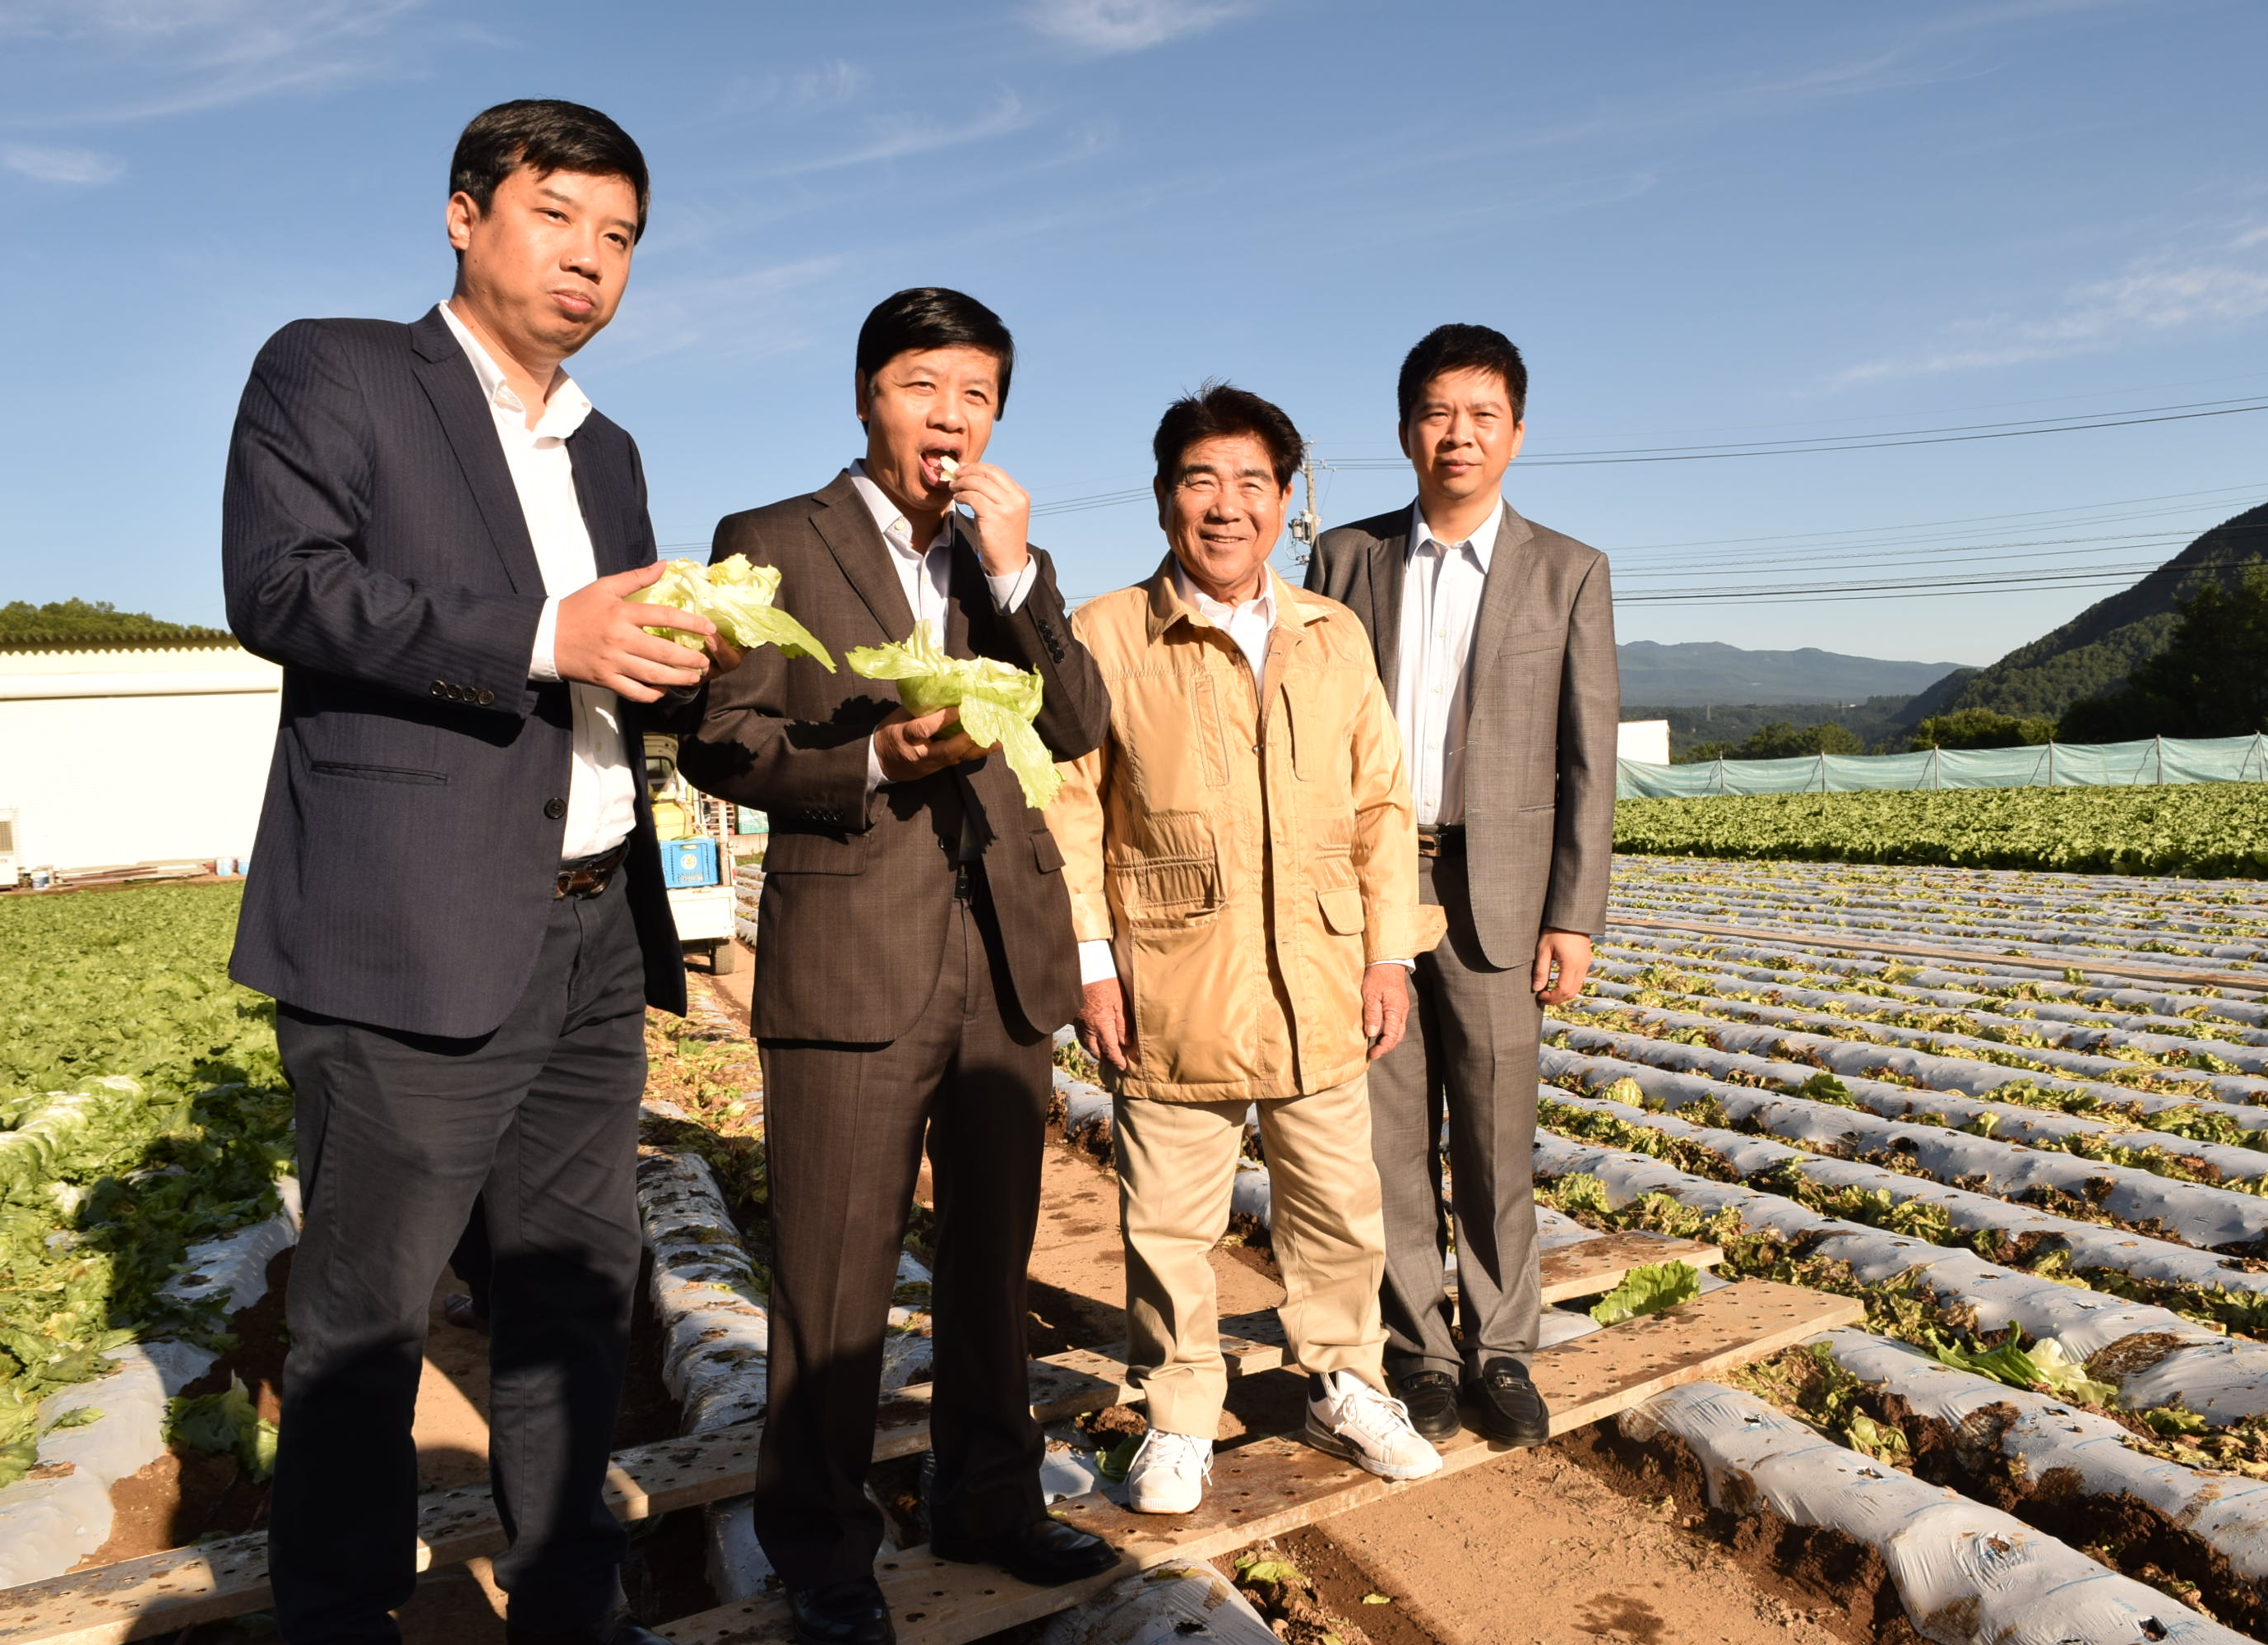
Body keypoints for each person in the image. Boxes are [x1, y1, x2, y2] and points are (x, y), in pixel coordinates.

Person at [224, 100, 734, 1645]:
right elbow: (283, 586)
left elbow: (621, 679)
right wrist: (543, 636)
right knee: (367, 1322)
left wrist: (683, 666)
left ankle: (570, 1600)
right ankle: (342, 1615)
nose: (590, 260)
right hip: (405, 935)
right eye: (557, 217)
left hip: (588, 935)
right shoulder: (338, 370)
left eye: (621, 236)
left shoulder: (612, 447)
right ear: (465, 215)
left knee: (575, 1299)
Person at [678, 289, 1117, 1645]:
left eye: (977, 396)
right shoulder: (771, 541)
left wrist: (1026, 572)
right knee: (833, 1271)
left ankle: (990, 1496)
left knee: (988, 1259)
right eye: (926, 387)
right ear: (870, 395)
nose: (951, 417)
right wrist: (872, 757)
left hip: (1004, 954)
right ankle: (820, 1547)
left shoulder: (1002, 563)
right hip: (852, 951)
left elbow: (1083, 718)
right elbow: (722, 740)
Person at [1054, 383, 1446, 1518]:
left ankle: (1344, 1381)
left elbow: (1380, 806)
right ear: (1166, 496)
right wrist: (1090, 960)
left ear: (1284, 501)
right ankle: (1180, 1414)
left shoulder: (1332, 633)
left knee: (1336, 1202)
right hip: (1172, 972)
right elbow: (1072, 810)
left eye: (1251, 484)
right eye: (1199, 481)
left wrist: (1390, 954)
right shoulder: (1107, 633)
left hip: (1323, 970)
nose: (1225, 508)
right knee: (1170, 1215)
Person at [1304, 324, 1619, 1448]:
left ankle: (1503, 1348)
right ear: (1404, 431)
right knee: (1387, 1138)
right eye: (1438, 413)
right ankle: (1418, 1354)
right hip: (1374, 888)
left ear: (1518, 433)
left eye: (1483, 415)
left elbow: (1588, 759)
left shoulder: (1569, 571)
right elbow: (1310, 737)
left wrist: (1574, 915)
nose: (1459, 435)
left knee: (1494, 1135)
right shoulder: (1344, 560)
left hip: (1505, 893)